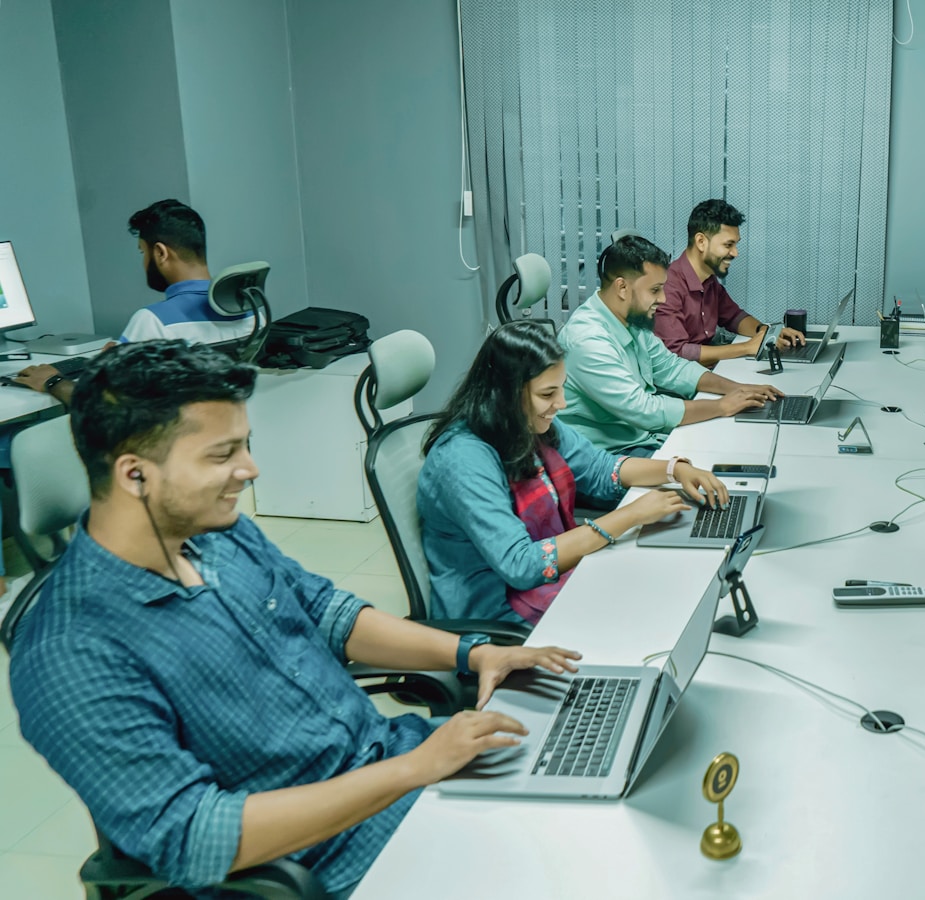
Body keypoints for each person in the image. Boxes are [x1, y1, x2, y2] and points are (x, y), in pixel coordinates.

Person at [9, 340, 582, 897]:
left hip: (395, 759)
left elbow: (328, 613)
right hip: (331, 860)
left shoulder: (216, 536)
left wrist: (473, 653)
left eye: (245, 445)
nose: (250, 470)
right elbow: (192, 836)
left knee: (587, 777)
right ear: (135, 475)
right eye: (221, 455)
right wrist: (414, 770)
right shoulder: (69, 648)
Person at [419, 321, 732, 625]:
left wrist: (674, 470)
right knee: (652, 610)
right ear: (506, 394)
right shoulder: (463, 459)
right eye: (547, 394)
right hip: (497, 620)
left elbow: (598, 468)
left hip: (549, 586)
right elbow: (522, 564)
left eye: (561, 389)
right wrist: (630, 516)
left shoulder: (524, 423)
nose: (561, 403)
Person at [558, 234, 783, 454]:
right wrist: (722, 406)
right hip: (612, 455)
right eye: (655, 290)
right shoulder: (587, 340)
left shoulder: (630, 320)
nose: (663, 299)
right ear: (622, 288)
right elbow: (644, 410)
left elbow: (672, 367)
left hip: (644, 437)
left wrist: (737, 388)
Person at [11, 199, 252, 402]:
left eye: (142, 252)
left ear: (160, 253)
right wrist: (124, 358)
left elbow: (107, 407)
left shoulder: (153, 321)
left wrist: (52, 382)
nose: (143, 261)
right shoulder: (249, 308)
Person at [654, 199, 806, 365]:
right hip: (684, 382)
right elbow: (678, 352)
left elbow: (734, 317)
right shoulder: (668, 286)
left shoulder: (708, 279)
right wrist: (747, 347)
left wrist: (767, 333)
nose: (735, 253)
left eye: (735, 244)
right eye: (728, 245)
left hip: (707, 371)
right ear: (701, 242)